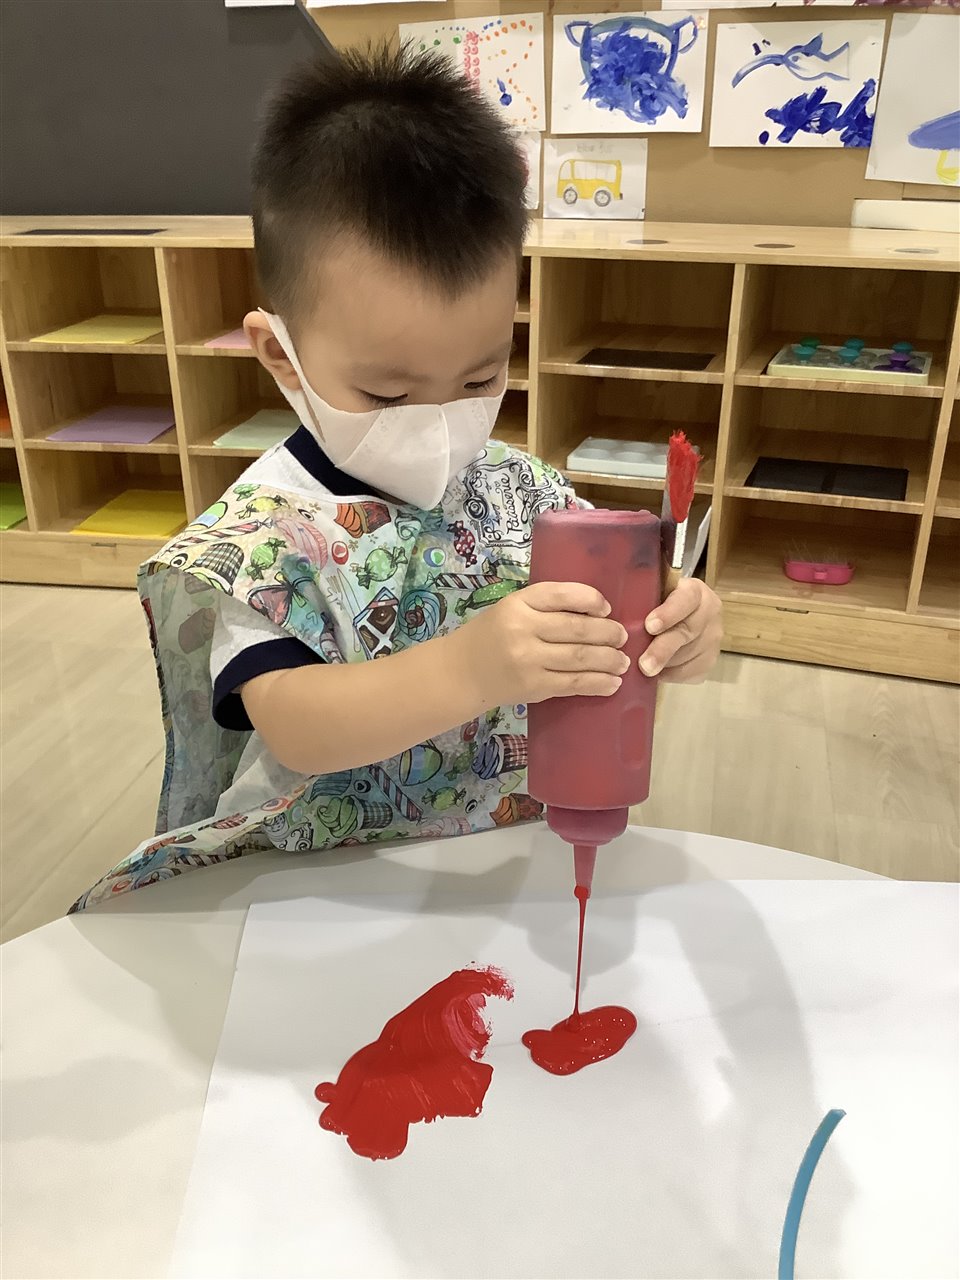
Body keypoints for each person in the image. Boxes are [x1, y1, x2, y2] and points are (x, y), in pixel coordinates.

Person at [71, 44, 722, 911]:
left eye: (482, 377)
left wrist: (678, 622)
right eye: (386, 393)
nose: (441, 421)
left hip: (501, 856)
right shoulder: (263, 539)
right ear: (280, 354)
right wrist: (473, 668)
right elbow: (295, 724)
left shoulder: (523, 492)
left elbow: (616, 610)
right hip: (327, 879)